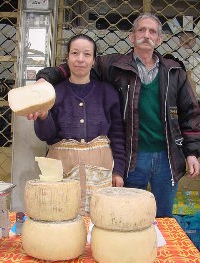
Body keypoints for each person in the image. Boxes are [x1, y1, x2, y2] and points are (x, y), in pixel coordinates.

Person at [35, 13, 200, 218]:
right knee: (128, 215)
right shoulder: (114, 66)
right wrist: (44, 78)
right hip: (133, 157)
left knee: (163, 216)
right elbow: (77, 66)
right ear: (131, 36)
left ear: (159, 39)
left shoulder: (174, 72)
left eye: (152, 32)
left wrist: (192, 152)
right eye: (141, 30)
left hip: (167, 158)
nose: (146, 35)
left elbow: (191, 114)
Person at [27, 34, 126, 216]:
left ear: (94, 61)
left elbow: (118, 135)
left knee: (99, 219)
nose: (80, 59)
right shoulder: (53, 93)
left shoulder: (108, 93)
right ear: (67, 58)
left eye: (87, 54)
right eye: (75, 53)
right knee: (61, 217)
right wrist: (43, 117)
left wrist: (118, 170)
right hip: (61, 170)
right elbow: (46, 136)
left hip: (101, 173)